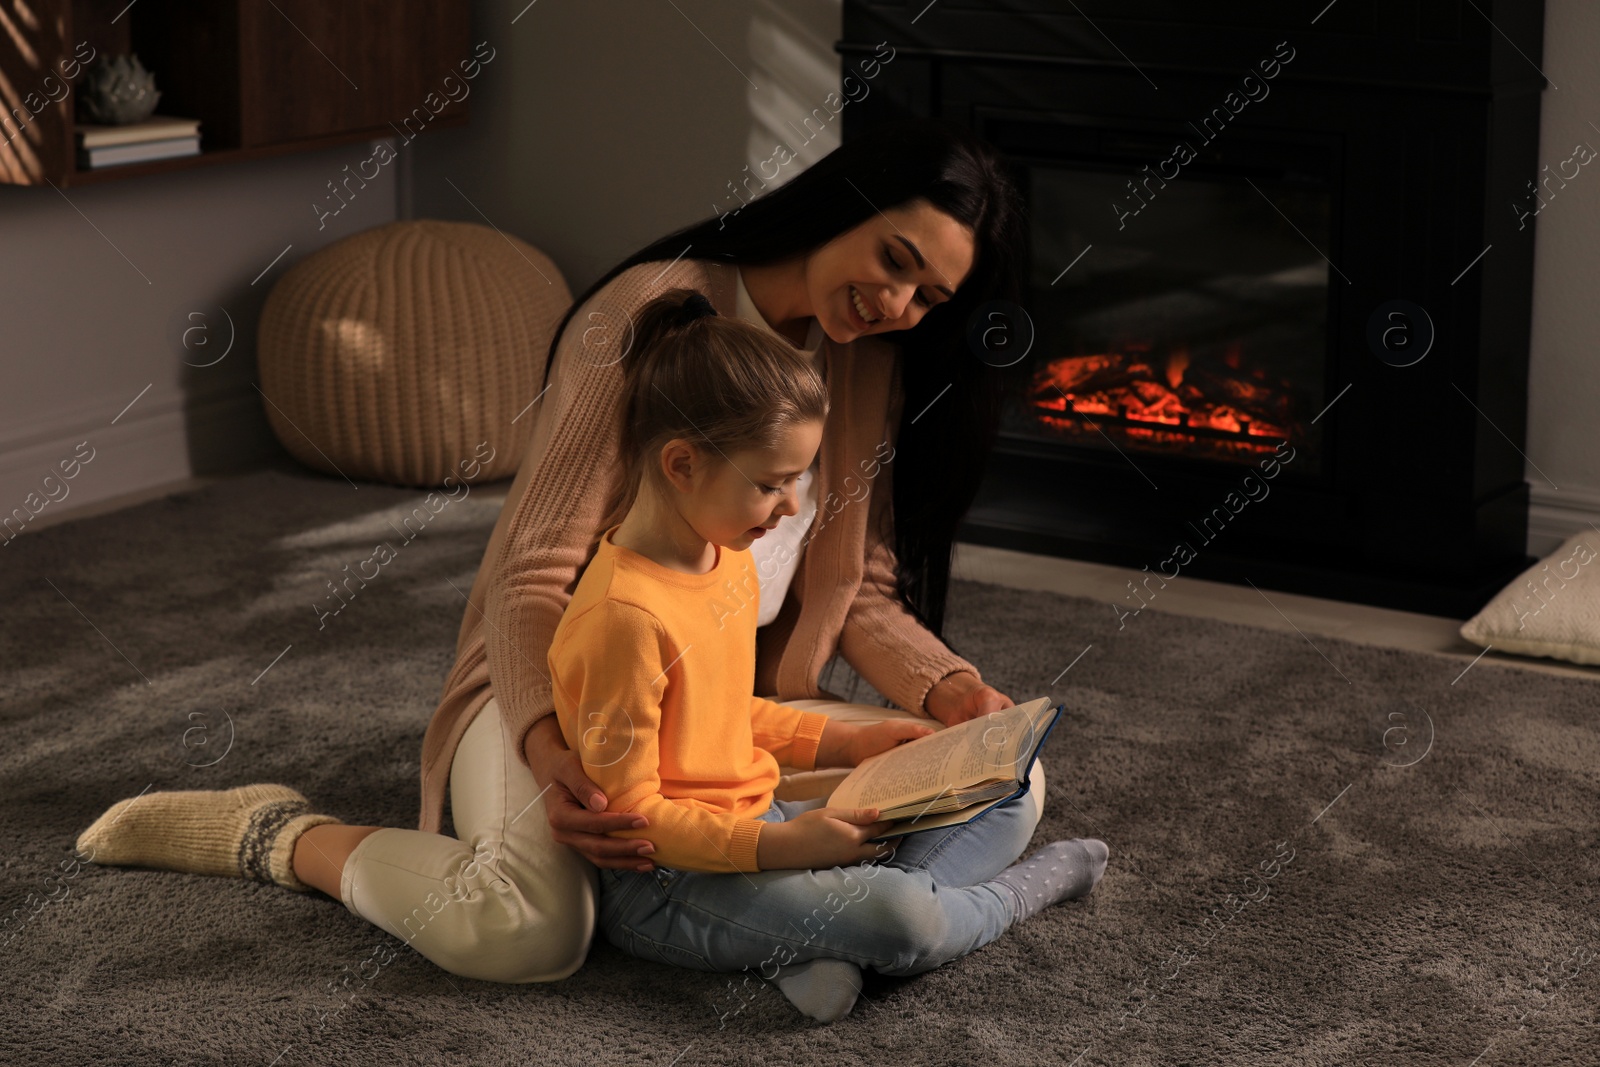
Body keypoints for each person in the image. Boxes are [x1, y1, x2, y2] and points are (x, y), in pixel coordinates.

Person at [74, 116, 1065, 996]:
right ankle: (283, 835)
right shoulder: (647, 312)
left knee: (1010, 780)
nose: (896, 303)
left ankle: (798, 920)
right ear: (844, 203)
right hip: (555, 698)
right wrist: (548, 752)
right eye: (894, 260)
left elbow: (861, 592)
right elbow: (535, 567)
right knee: (532, 931)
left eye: (928, 295)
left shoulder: (866, 366)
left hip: (718, 723)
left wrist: (951, 696)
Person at [550, 287, 1108, 1023]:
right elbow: (634, 819)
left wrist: (851, 737)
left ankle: (819, 943)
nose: (790, 508)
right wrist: (783, 849)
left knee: (1002, 788)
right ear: (681, 463)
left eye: (799, 480)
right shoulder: (624, 616)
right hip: (669, 883)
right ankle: (1005, 894)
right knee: (906, 919)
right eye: (771, 483)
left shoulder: (725, 556)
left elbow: (721, 713)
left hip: (762, 820)